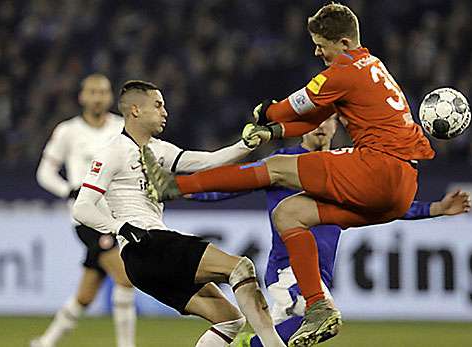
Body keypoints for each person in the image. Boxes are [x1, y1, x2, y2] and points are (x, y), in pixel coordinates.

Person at [140, 3, 437, 346]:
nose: (316, 50)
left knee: (275, 169)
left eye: (320, 43)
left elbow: (294, 106)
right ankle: (318, 306)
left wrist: (265, 113)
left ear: (342, 42)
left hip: (379, 166)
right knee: (289, 214)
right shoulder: (371, 66)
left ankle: (175, 185)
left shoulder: (344, 69)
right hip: (400, 187)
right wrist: (275, 132)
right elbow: (312, 116)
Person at [189, 117, 471, 347]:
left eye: (329, 120)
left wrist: (436, 209)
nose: (321, 126)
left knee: (284, 335)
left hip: (318, 271)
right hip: (288, 270)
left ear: (337, 125)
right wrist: (186, 191)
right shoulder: (285, 162)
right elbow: (232, 184)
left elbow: (389, 205)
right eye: (314, 121)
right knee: (322, 318)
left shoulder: (346, 170)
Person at [72, 80, 286, 347]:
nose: (165, 112)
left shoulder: (160, 150)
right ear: (136, 110)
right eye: (158, 105)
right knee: (240, 268)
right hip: (147, 245)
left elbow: (208, 161)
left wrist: (246, 145)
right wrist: (120, 227)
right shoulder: (112, 152)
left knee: (230, 320)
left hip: (145, 263)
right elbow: (81, 207)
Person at [32, 74, 136, 347]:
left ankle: (46, 342)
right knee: (125, 277)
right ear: (82, 96)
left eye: (102, 92)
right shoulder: (68, 131)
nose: (98, 97)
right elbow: (45, 172)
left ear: (110, 97)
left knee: (86, 294)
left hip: (116, 215)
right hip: (86, 217)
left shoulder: (121, 128)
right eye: (92, 92)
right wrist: (68, 190)